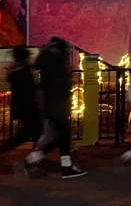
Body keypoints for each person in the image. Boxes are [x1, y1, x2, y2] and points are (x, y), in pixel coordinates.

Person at [25, 37, 86, 179]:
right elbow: (60, 84)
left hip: (49, 102)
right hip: (57, 102)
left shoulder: (47, 59)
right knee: (63, 133)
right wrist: (66, 90)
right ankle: (61, 166)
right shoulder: (57, 62)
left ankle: (58, 163)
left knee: (59, 134)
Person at [0, 47, 41, 153]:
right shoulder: (21, 72)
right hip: (26, 105)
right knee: (31, 130)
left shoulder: (18, 70)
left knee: (31, 130)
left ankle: (36, 154)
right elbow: (27, 87)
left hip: (25, 104)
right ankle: (36, 155)